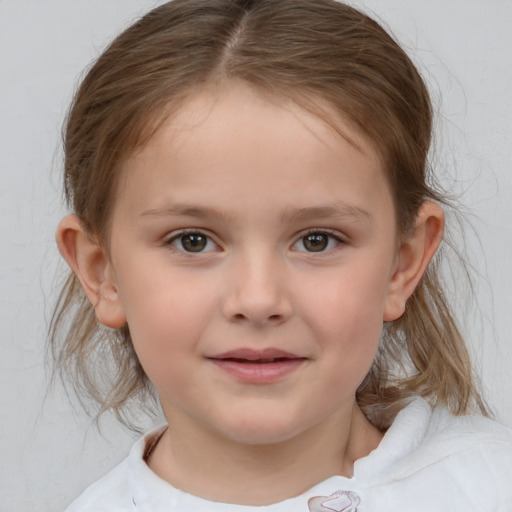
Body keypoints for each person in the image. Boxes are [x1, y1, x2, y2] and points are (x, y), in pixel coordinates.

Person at [50, 0, 512, 510]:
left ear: (403, 264)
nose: (257, 299)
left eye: (317, 240)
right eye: (193, 240)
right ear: (101, 273)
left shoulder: (489, 486)